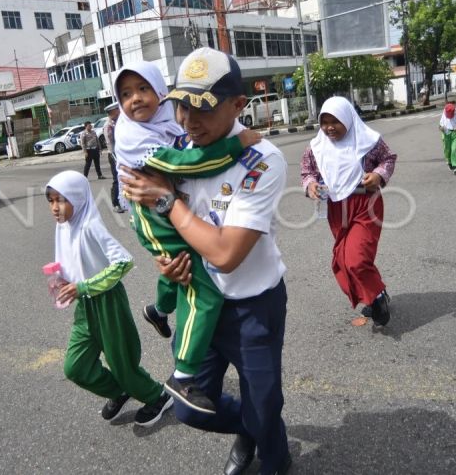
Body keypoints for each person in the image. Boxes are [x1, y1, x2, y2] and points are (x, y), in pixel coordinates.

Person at [121, 47, 291, 475]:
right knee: (189, 407)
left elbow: (225, 253)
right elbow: (160, 225)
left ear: (238, 105)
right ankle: (252, 427)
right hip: (199, 299)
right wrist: (168, 261)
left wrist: (165, 201)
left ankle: (272, 452)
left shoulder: (261, 158)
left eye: (203, 108)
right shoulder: (177, 148)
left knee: (265, 401)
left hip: (254, 306)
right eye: (180, 105)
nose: (188, 120)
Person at [113, 59, 261, 416]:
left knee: (177, 269)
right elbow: (188, 164)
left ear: (161, 93)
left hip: (169, 212)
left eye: (143, 89)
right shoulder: (133, 136)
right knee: (202, 289)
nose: (135, 99)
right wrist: (238, 143)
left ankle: (158, 309)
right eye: (125, 94)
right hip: (153, 215)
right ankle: (183, 375)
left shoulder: (166, 123)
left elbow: (184, 152)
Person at [45, 170, 173, 427]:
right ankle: (119, 391)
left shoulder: (90, 225)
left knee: (121, 362)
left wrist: (84, 285)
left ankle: (157, 396)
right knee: (75, 367)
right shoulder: (64, 228)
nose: (55, 208)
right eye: (51, 201)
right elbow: (75, 262)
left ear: (78, 199)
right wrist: (63, 280)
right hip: (86, 307)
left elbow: (124, 262)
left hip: (108, 303)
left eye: (61, 200)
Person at [301, 96, 397, 325]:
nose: (329, 128)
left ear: (348, 119)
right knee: (343, 259)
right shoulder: (316, 147)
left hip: (366, 205)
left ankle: (377, 295)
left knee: (356, 258)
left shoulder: (369, 141)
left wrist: (378, 175)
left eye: (335, 121)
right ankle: (373, 296)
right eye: (324, 122)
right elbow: (307, 172)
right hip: (335, 208)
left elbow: (388, 159)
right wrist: (310, 185)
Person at [102, 102, 125, 212]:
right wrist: (115, 157)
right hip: (114, 155)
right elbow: (110, 143)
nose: (119, 111)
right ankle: (115, 203)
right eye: (117, 110)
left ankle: (124, 200)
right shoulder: (109, 126)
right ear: (112, 112)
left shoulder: (120, 122)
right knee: (117, 179)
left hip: (123, 153)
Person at [439, 102, 456, 175]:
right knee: (447, 150)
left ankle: (455, 166)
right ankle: (449, 161)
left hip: (455, 133)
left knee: (454, 149)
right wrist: (441, 128)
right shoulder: (444, 112)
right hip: (446, 133)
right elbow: (440, 125)